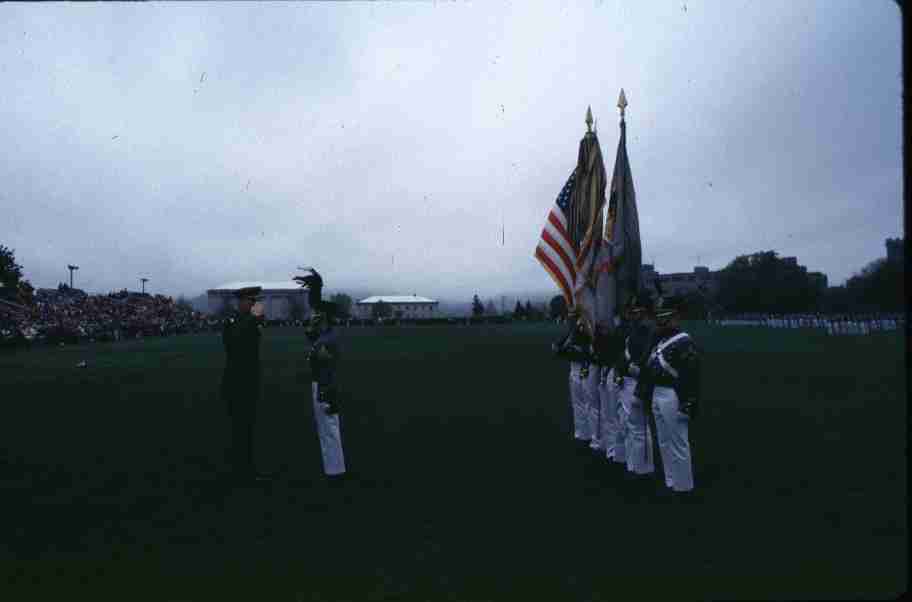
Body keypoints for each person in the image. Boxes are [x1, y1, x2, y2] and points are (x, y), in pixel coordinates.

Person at [635, 295, 701, 496]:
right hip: (657, 391)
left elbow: (692, 376)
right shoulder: (659, 339)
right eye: (660, 316)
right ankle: (670, 479)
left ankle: (684, 485)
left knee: (678, 441)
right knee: (663, 439)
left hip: (673, 394)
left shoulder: (684, 342)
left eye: (665, 316)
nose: (661, 320)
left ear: (676, 317)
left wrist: (688, 403)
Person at [295, 269, 347, 478]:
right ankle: (334, 470)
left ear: (325, 317)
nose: (314, 316)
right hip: (324, 385)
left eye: (318, 315)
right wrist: (316, 288)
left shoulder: (328, 338)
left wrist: (314, 345)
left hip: (325, 387)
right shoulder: (327, 334)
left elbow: (321, 356)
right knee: (327, 431)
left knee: (329, 431)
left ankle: (335, 472)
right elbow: (313, 336)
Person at [221, 286, 268, 482]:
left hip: (250, 381)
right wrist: (253, 319)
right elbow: (234, 343)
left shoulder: (250, 321)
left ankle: (245, 469)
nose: (254, 305)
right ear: (241, 302)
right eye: (251, 301)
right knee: (240, 428)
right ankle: (241, 471)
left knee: (247, 428)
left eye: (255, 301)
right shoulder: (232, 321)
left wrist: (255, 320)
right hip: (236, 383)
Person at [614, 294, 656, 477]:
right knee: (628, 423)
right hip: (626, 380)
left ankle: (643, 467)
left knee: (639, 427)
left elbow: (646, 358)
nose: (633, 315)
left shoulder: (648, 331)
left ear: (644, 312)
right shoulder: (634, 329)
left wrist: (632, 367)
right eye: (633, 312)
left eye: (637, 311)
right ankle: (633, 463)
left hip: (638, 381)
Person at [552, 310, 593, 447]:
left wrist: (567, 349)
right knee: (577, 403)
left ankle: (593, 435)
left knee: (589, 403)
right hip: (574, 367)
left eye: (571, 318)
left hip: (585, 367)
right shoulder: (570, 333)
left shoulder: (584, 331)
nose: (568, 321)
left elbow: (586, 351)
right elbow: (558, 349)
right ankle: (581, 433)